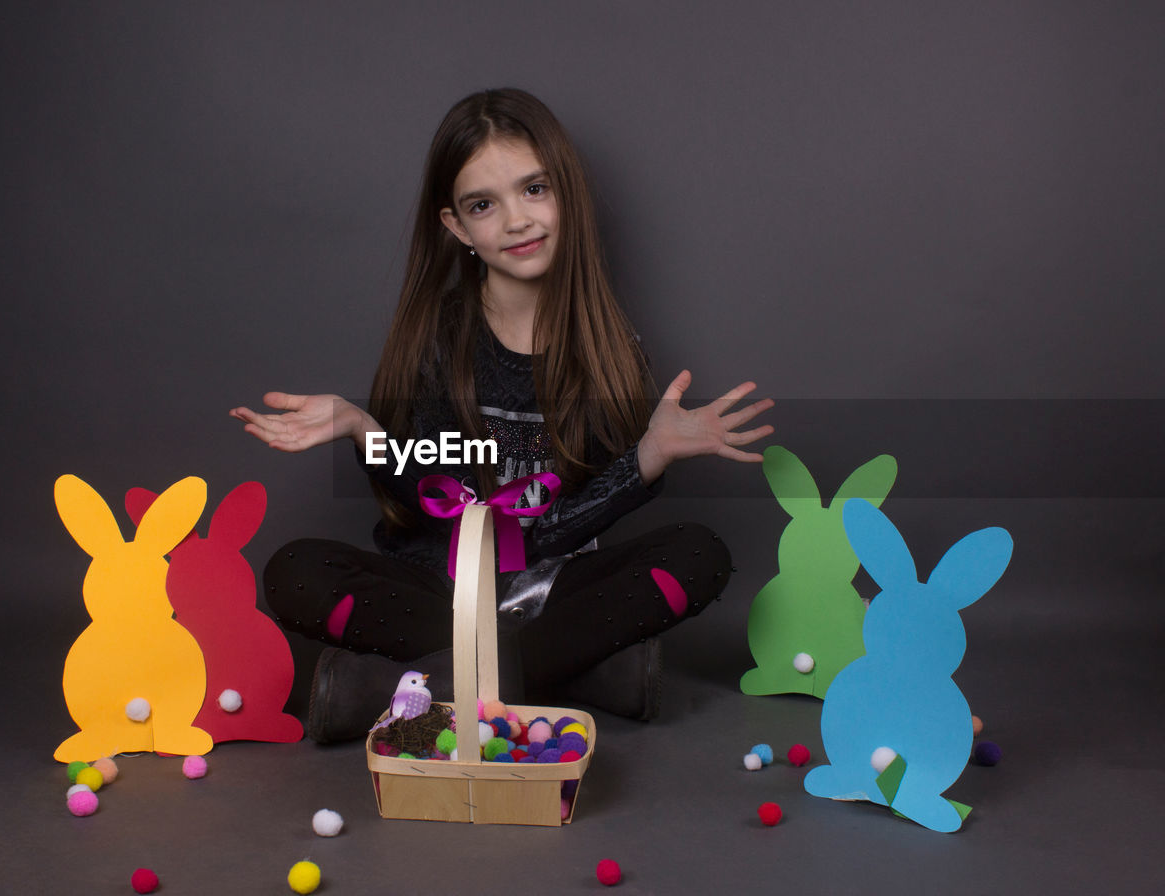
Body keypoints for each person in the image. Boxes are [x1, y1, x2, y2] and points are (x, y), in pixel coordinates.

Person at [231, 88, 773, 742]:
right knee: (295, 572)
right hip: (438, 591)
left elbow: (556, 533)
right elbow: (436, 498)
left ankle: (402, 690)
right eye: (484, 205)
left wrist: (646, 460)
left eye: (534, 190)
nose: (517, 220)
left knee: (698, 554)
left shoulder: (608, 349)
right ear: (457, 227)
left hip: (554, 592)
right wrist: (362, 427)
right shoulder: (439, 338)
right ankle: (577, 675)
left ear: (565, 194)